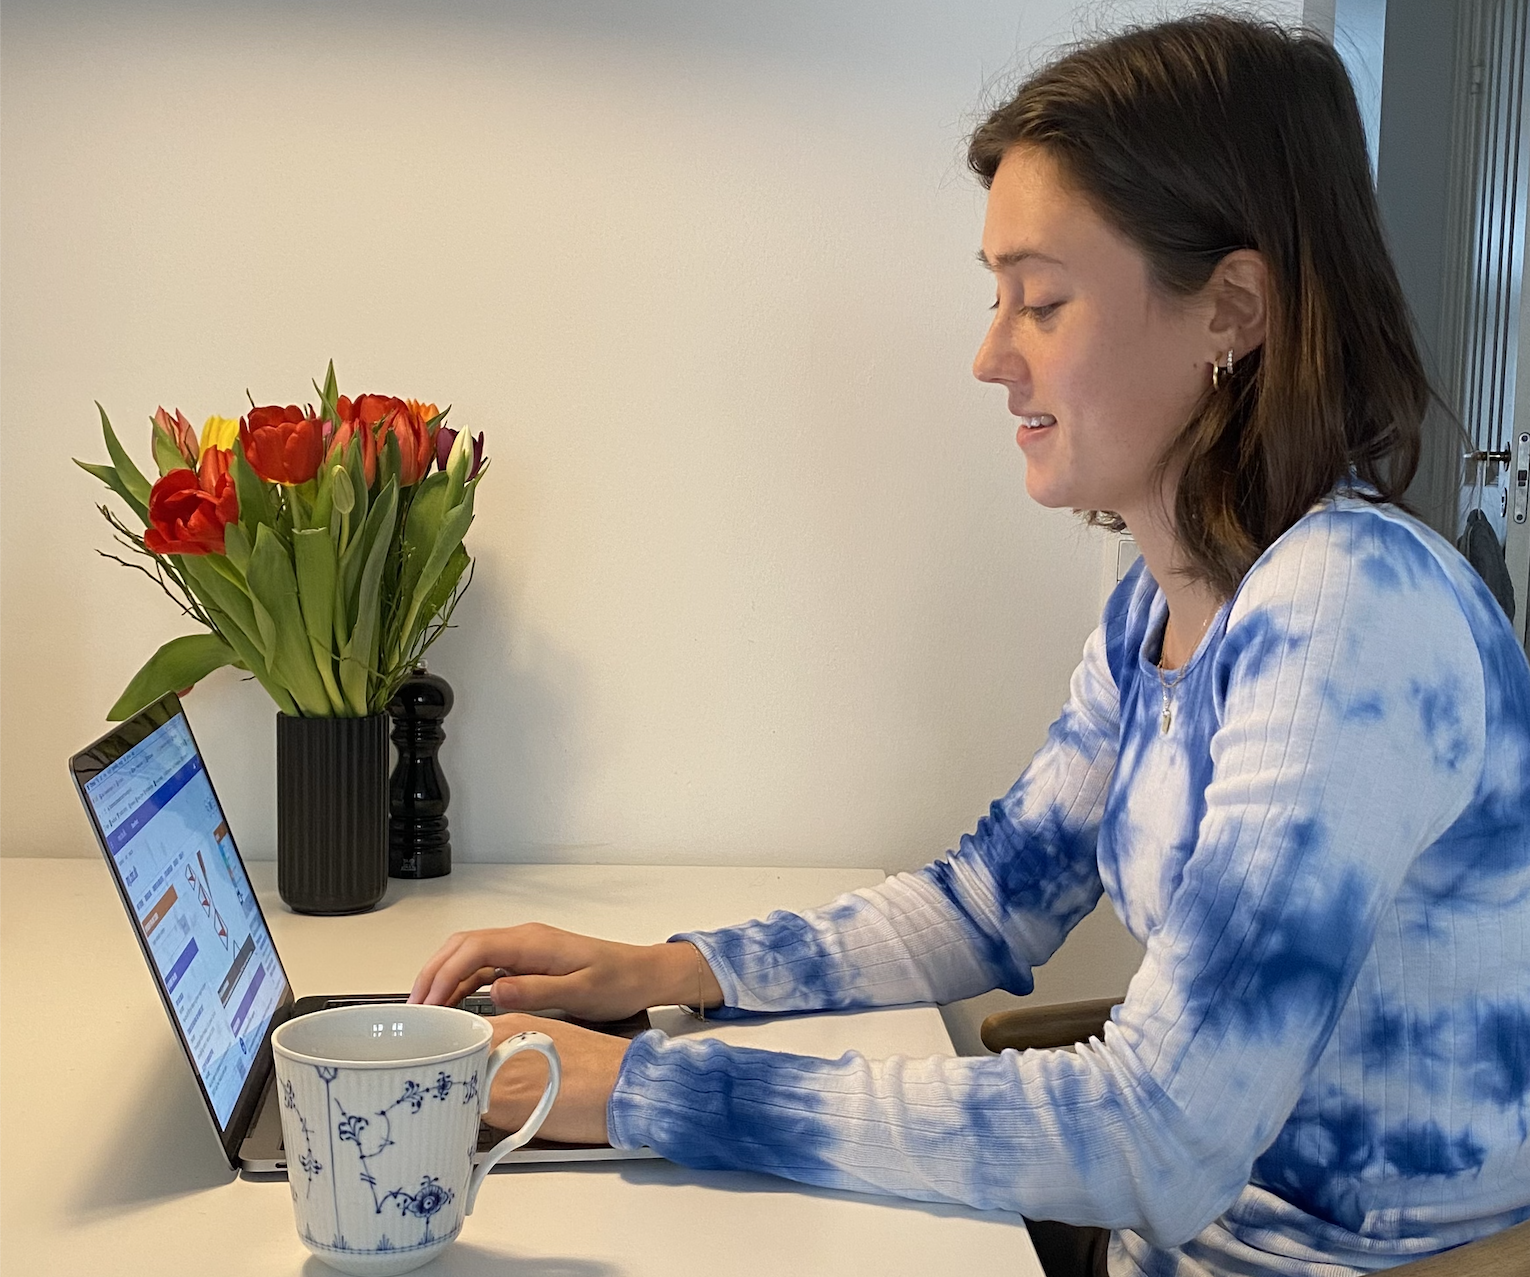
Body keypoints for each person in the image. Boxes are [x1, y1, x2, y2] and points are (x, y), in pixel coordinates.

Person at [409, 14, 1530, 1276]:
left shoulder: (1349, 613)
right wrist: (667, 969)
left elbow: (1155, 1131)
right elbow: (985, 905)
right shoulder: (1166, 605)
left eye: (1042, 299)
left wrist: (645, 1092)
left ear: (1231, 307)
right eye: (996, 294)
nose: (992, 352)